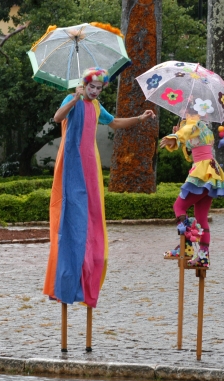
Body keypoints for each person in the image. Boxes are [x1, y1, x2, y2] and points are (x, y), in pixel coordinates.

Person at [43, 67, 156, 308]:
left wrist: (140, 118)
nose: (94, 91)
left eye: (98, 88)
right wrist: (74, 99)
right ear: (84, 85)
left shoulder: (96, 106)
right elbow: (58, 118)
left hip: (90, 166)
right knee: (70, 215)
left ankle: (86, 272)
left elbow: (114, 122)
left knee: (92, 217)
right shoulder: (72, 99)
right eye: (91, 87)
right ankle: (65, 277)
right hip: (71, 164)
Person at [159, 113, 224, 268]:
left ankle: (186, 245)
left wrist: (176, 136)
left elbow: (188, 130)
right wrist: (179, 135)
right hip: (209, 170)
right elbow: (190, 153)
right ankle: (203, 256)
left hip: (202, 170)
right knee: (201, 217)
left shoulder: (194, 123)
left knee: (179, 206)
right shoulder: (205, 128)